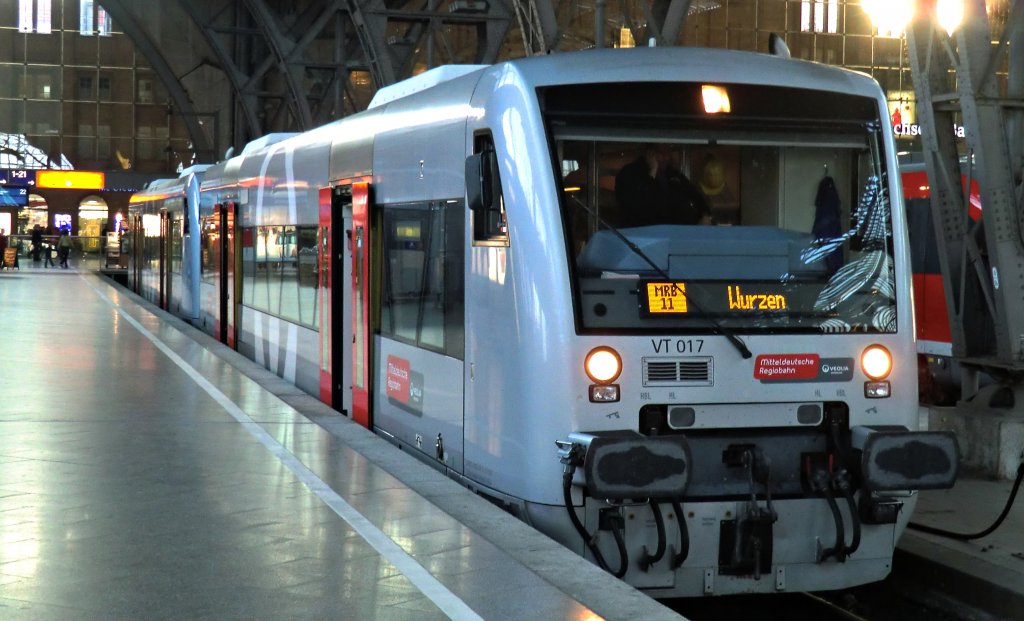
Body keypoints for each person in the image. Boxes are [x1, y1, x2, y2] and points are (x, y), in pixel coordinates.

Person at [615, 144, 710, 227]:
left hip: (674, 233)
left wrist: (705, 213)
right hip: (640, 234)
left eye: (668, 153)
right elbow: (639, 203)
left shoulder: (672, 174)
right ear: (649, 154)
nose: (666, 158)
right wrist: (652, 172)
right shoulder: (630, 173)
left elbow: (693, 193)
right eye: (661, 153)